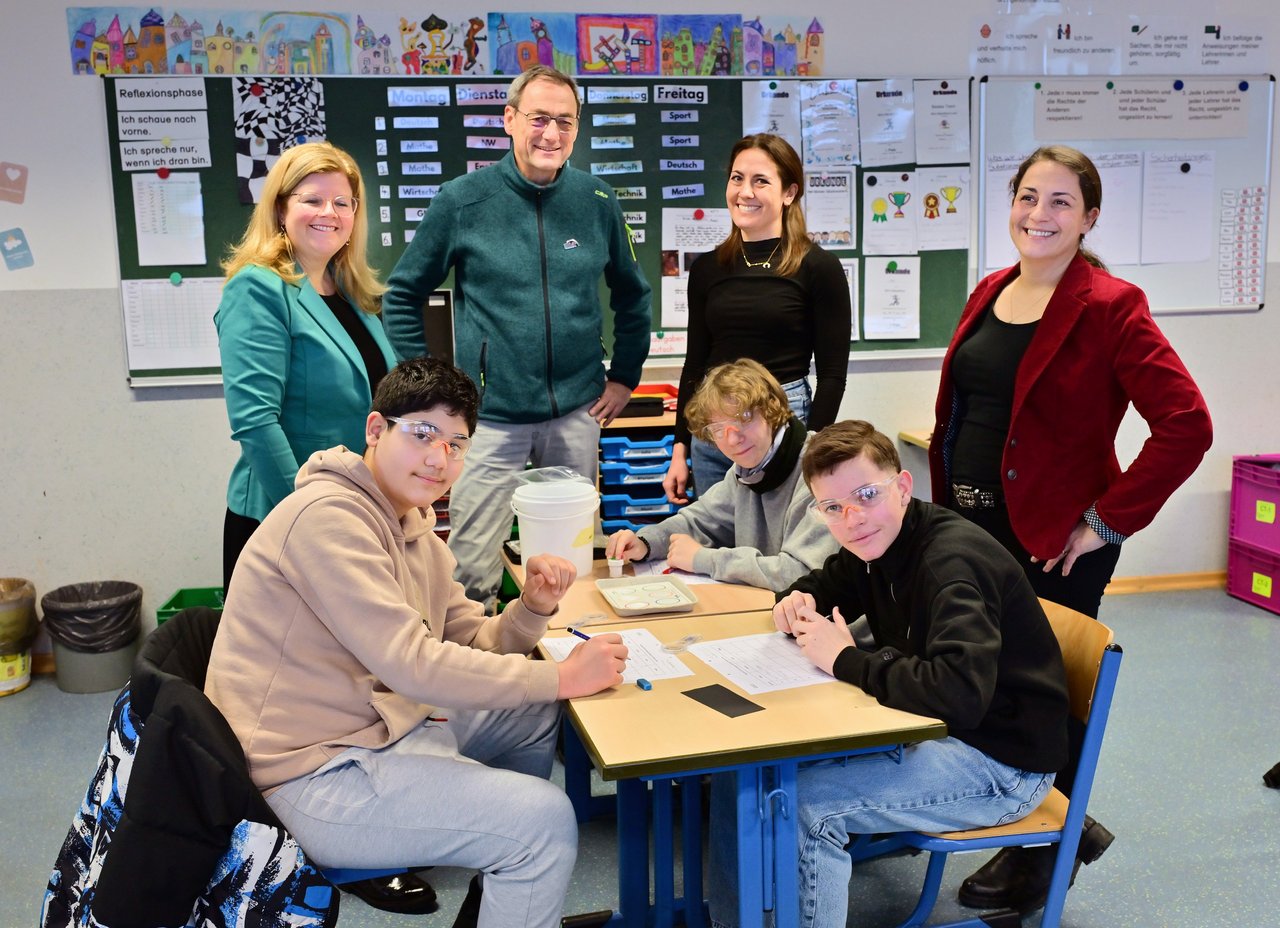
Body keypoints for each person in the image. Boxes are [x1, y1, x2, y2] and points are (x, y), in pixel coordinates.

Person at [205, 357, 628, 928]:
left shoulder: (411, 525)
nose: (440, 458)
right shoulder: (327, 520)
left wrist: (532, 608)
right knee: (545, 820)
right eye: (423, 434)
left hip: (374, 728)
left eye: (457, 444)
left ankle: (502, 877)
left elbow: (473, 638)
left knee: (533, 714)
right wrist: (563, 675)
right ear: (376, 430)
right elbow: (411, 664)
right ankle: (516, 847)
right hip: (306, 774)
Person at [929, 144, 1212, 912]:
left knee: (1042, 697)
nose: (1038, 215)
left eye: (1059, 202)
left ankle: (1038, 854)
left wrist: (1104, 521)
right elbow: (965, 412)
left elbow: (1186, 424)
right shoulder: (990, 290)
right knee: (987, 691)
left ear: (1088, 218)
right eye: (1028, 197)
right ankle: (1062, 824)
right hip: (972, 532)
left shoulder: (1112, 306)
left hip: (1054, 544)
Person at [708, 420, 1067, 928]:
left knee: (809, 809)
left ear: (902, 488)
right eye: (832, 508)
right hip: (937, 731)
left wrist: (846, 661)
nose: (852, 519)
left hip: (1000, 763)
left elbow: (959, 694)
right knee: (743, 774)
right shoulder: (874, 543)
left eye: (866, 495)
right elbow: (826, 583)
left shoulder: (949, 565)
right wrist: (797, 600)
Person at [380, 65, 652, 609]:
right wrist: (435, 390)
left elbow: (633, 294)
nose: (551, 134)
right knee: (472, 569)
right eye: (539, 119)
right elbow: (402, 293)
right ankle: (472, 684)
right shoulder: (462, 201)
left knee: (570, 566)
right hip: (490, 418)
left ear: (578, 129)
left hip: (576, 412)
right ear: (509, 120)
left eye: (566, 122)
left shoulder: (598, 202)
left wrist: (624, 376)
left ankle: (562, 677)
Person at [216, 142, 396, 591]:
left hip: (357, 513)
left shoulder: (354, 293)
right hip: (288, 519)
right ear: (280, 209)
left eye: (342, 203)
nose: (328, 213)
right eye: (311, 200)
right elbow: (256, 422)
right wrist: (307, 516)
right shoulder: (259, 288)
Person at [665, 133, 851, 503]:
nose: (744, 192)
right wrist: (680, 447)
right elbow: (695, 365)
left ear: (789, 193)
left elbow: (832, 376)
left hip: (784, 421)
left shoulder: (819, 267)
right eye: (737, 178)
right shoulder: (708, 268)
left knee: (775, 546)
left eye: (760, 180)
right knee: (715, 542)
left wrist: (811, 447)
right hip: (714, 427)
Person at [606, 359, 835, 590]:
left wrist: (704, 559)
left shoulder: (821, 472)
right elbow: (700, 522)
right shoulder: (746, 470)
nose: (733, 439)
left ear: (771, 409)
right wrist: (645, 542)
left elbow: (802, 573)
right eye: (718, 429)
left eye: (744, 419)